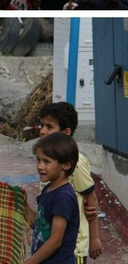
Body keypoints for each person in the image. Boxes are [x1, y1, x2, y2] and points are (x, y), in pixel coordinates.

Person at [37, 102, 102, 261]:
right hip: (52, 241)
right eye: (42, 125)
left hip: (74, 247)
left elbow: (91, 200)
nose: (43, 131)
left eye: (49, 127)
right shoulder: (51, 163)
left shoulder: (75, 163)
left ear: (66, 132)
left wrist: (94, 239)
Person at [25, 132, 80, 264]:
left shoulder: (63, 197)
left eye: (46, 161)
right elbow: (39, 226)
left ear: (66, 165)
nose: (40, 166)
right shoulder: (48, 189)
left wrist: (30, 262)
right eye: (38, 160)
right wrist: (23, 204)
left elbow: (55, 240)